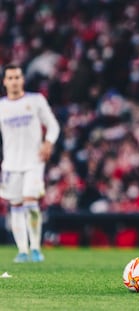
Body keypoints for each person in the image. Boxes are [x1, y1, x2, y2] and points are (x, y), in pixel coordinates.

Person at [0, 64, 60, 262]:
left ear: (22, 79)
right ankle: (23, 251)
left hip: (34, 160)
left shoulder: (36, 101)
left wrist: (48, 143)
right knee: (16, 205)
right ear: (5, 82)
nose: (15, 81)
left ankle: (35, 249)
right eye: (11, 78)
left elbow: (53, 125)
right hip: (10, 164)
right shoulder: (2, 106)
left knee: (30, 200)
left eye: (17, 77)